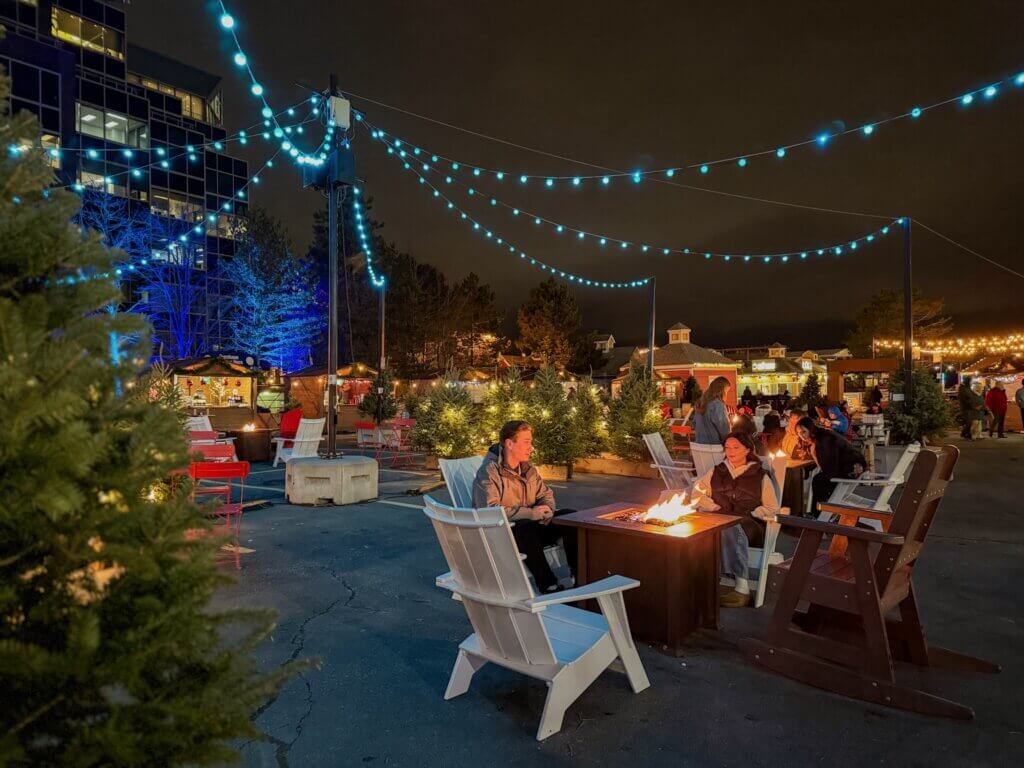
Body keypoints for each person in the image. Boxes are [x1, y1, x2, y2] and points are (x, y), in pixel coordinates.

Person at [473, 420, 577, 593]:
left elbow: (545, 493)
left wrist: (547, 509)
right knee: (524, 527)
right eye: (527, 442)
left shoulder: (528, 469)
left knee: (571, 518)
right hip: (505, 532)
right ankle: (548, 584)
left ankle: (579, 577)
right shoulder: (490, 471)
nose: (531, 447)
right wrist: (530, 514)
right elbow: (489, 510)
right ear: (509, 444)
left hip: (534, 526)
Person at [691, 431, 780, 608]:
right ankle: (700, 583)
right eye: (727, 447)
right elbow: (697, 493)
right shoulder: (717, 471)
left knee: (730, 526)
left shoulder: (760, 475)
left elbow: (772, 506)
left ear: (747, 449)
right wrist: (712, 506)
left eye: (736, 447)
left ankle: (742, 589)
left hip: (749, 524)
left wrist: (756, 512)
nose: (730, 451)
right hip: (719, 518)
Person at [796, 417, 866, 511]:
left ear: (811, 428)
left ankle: (818, 512)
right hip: (852, 466)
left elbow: (829, 466)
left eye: (803, 432)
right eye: (799, 433)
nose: (801, 436)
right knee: (820, 479)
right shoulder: (822, 436)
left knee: (818, 480)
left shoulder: (823, 439)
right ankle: (820, 510)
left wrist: (813, 454)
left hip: (851, 468)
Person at [694, 376, 732, 447]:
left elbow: (694, 423)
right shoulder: (717, 404)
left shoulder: (700, 402)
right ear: (722, 390)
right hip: (714, 448)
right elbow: (724, 430)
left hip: (699, 447)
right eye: (727, 391)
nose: (726, 394)